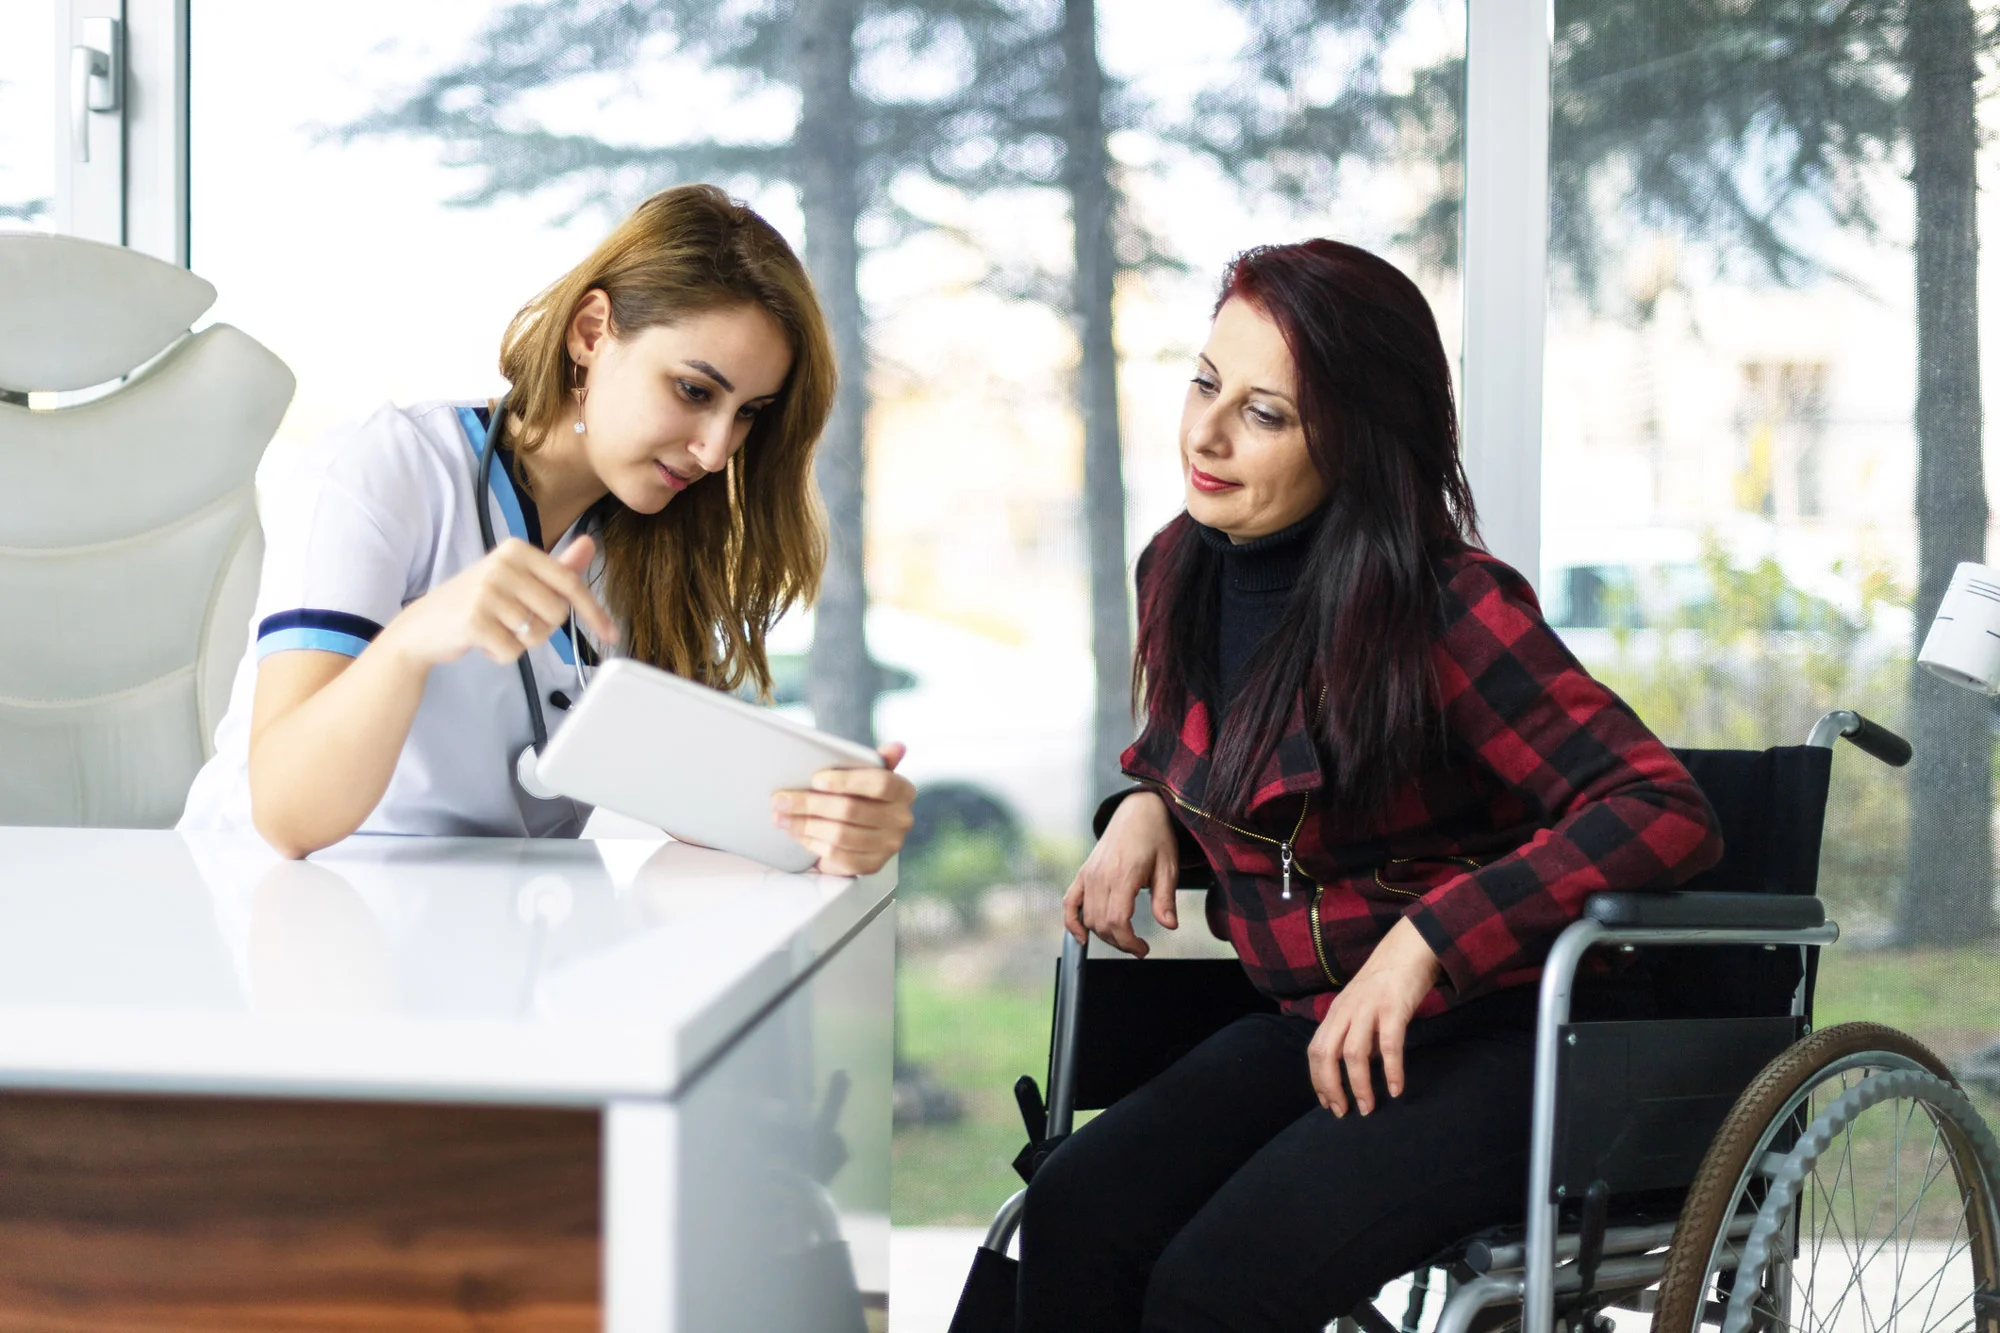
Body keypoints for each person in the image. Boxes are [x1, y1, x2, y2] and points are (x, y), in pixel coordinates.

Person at [1019, 240, 1723, 1332]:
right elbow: (1209, 760)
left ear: (1351, 442)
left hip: (1504, 1033)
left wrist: (1428, 937)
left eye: (1264, 414)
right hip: (1316, 1021)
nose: (1204, 435)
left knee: (1216, 1286)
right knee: (1071, 1211)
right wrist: (1142, 806)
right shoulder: (1179, 565)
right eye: (1205, 382)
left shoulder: (1444, 608)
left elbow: (1660, 810)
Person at [180, 185, 915, 873]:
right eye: (694, 391)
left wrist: (831, 822)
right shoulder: (384, 469)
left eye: (749, 412)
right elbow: (286, 814)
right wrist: (413, 639)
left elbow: (696, 793)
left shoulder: (652, 543)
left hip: (483, 934)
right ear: (592, 333)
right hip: (265, 914)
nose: (718, 448)